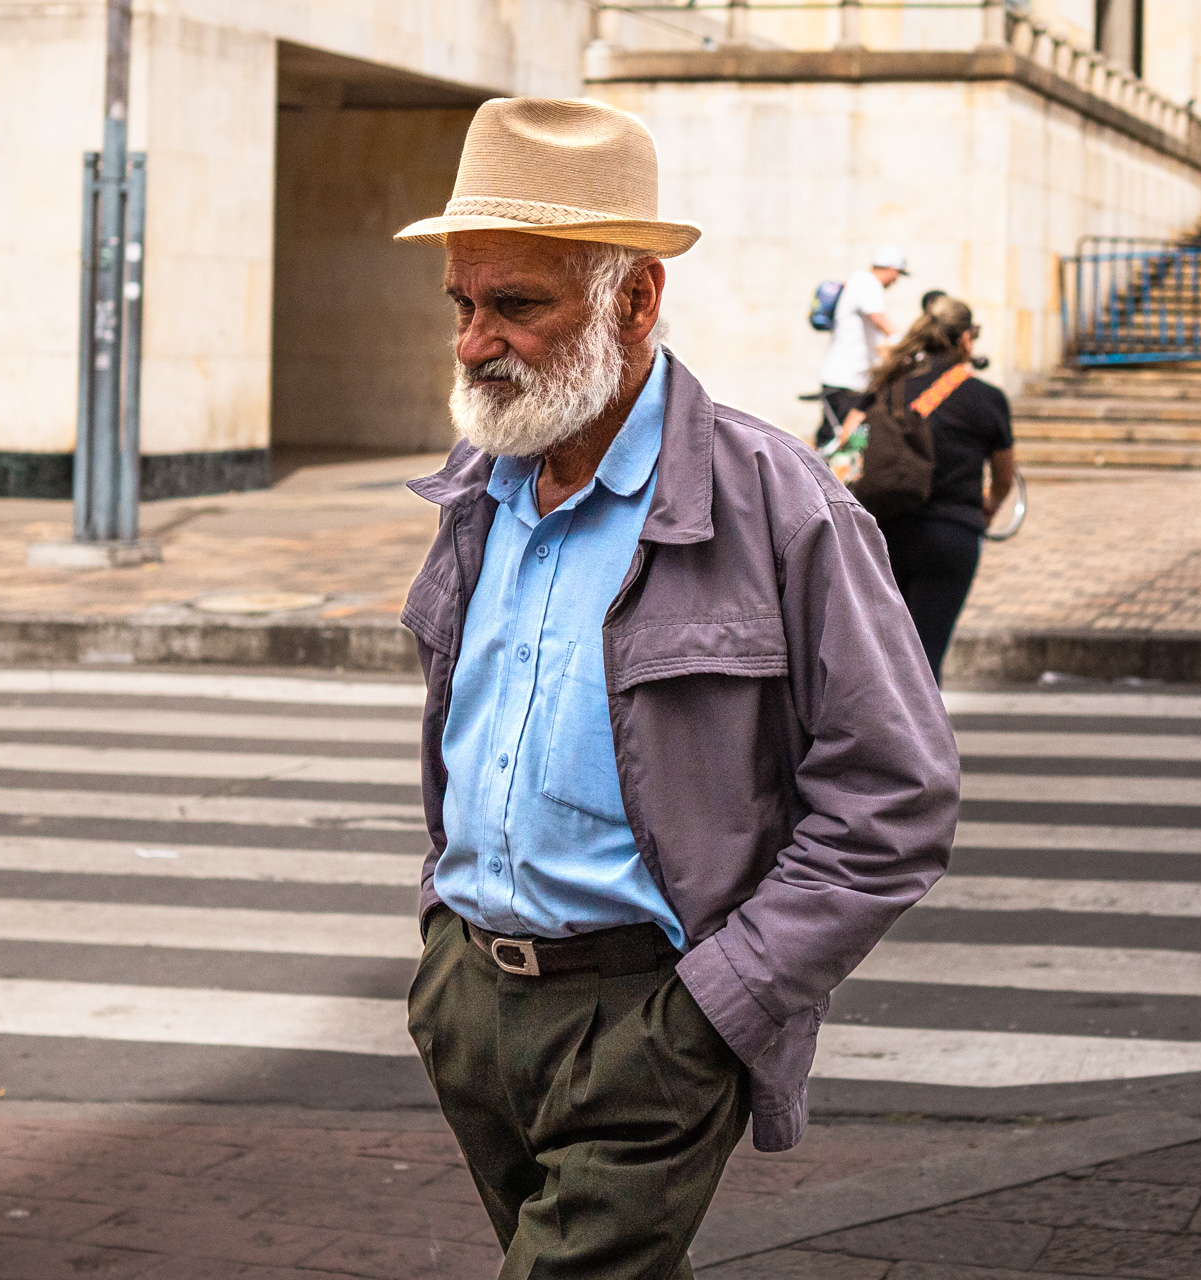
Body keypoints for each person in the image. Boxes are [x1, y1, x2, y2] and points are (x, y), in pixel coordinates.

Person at [392, 97, 959, 1279]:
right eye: (462, 303)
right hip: (470, 1005)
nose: (471, 342)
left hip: (652, 1014)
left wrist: (719, 1003)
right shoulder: (475, 489)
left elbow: (897, 796)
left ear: (636, 299)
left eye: (516, 305)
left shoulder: (781, 505)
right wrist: (443, 943)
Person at [854, 295, 1016, 682]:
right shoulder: (986, 398)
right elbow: (1005, 476)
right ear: (965, 339)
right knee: (926, 657)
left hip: (887, 531)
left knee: (885, 654)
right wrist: (989, 505)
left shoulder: (890, 386)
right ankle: (921, 741)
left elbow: (851, 439)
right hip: (951, 533)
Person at [816, 245, 908, 442]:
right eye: (898, 274)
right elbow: (879, 319)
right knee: (837, 439)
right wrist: (906, 344)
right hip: (846, 381)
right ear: (891, 268)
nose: (896, 280)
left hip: (851, 380)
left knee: (846, 439)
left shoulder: (860, 283)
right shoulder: (867, 284)